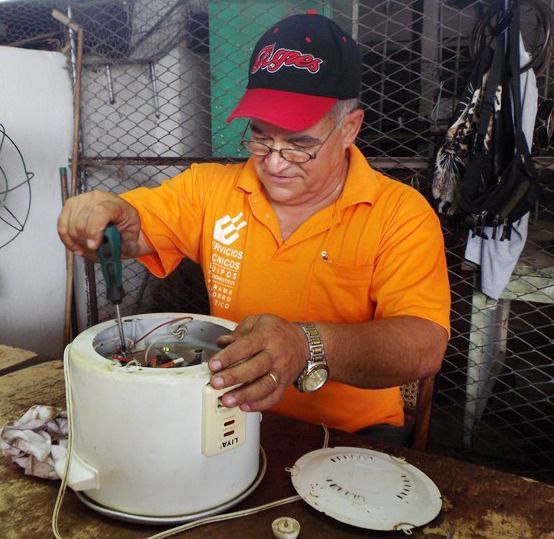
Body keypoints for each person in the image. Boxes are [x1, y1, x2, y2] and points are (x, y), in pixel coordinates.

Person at [58, 12, 450, 444]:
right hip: (227, 416)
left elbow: (423, 344)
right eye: (261, 136)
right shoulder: (211, 190)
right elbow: (134, 226)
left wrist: (305, 345)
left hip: (351, 434)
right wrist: (104, 217)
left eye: (300, 144)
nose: (275, 161)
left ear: (349, 128)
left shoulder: (399, 214)